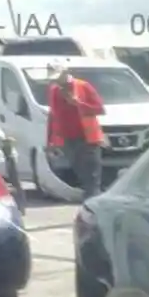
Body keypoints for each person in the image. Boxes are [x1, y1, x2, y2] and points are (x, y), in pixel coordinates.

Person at [46, 62, 106, 200]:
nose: (56, 81)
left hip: (88, 137)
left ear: (66, 73)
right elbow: (53, 115)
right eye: (54, 78)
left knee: (92, 171)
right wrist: (50, 140)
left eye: (58, 77)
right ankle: (90, 195)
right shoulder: (54, 90)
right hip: (67, 138)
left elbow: (100, 109)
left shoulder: (83, 86)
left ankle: (93, 198)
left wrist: (78, 103)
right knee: (79, 170)